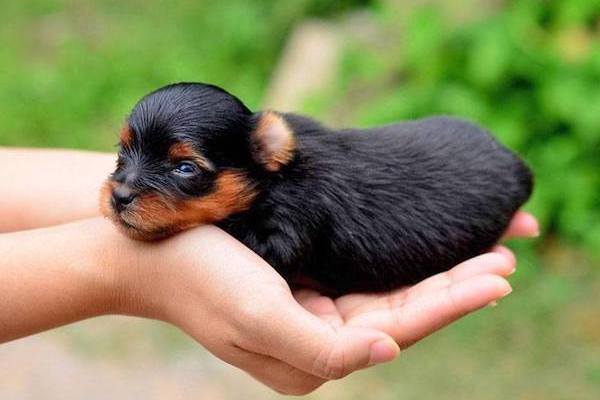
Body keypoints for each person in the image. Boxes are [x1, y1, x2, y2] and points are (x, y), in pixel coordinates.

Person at [0, 147, 538, 395]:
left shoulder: (291, 209)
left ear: (268, 156)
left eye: (185, 167)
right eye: (124, 157)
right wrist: (129, 269)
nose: (122, 187)